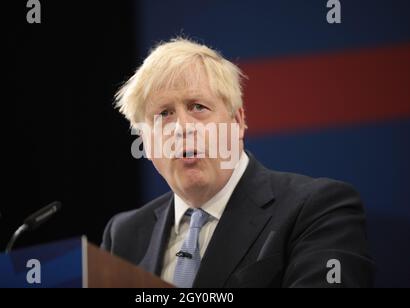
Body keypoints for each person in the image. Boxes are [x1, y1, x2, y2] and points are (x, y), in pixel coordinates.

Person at [101, 38, 374, 288]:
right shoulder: (124, 235)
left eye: (198, 107)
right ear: (146, 143)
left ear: (237, 121)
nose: (181, 128)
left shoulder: (318, 209)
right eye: (164, 114)